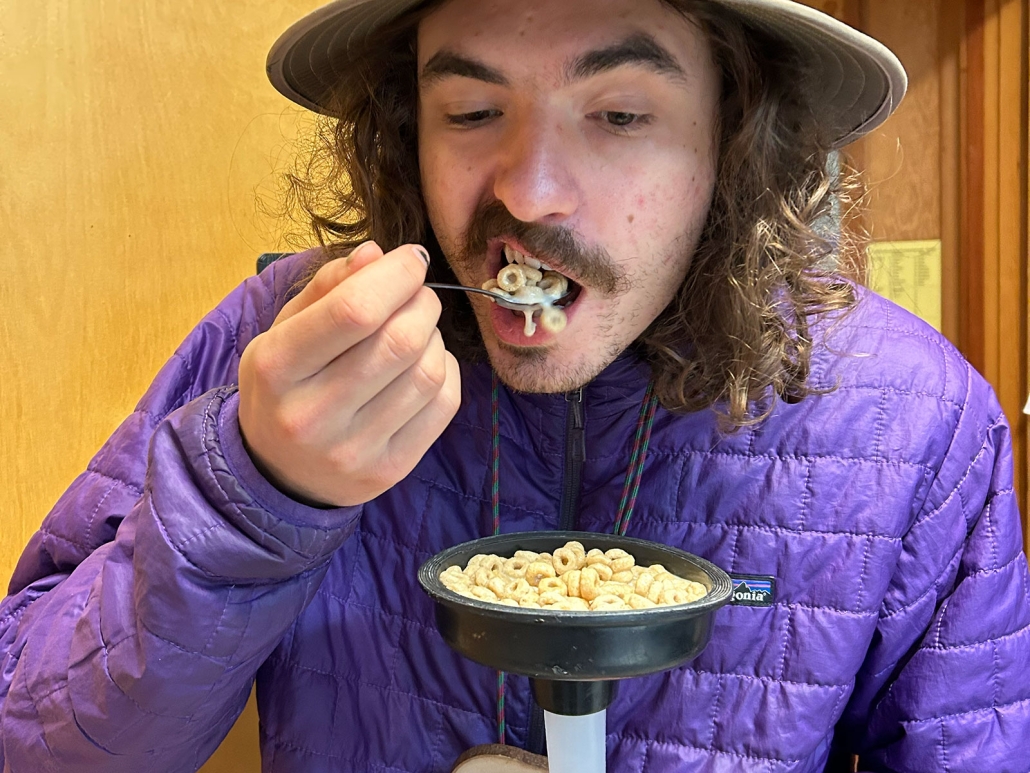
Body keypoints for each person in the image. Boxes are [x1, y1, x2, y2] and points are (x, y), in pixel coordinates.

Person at [2, 0, 1028, 770]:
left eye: (618, 113)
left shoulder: (913, 418)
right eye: (472, 110)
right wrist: (256, 493)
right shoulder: (293, 339)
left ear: (734, 131)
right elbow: (30, 737)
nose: (527, 191)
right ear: (406, 123)